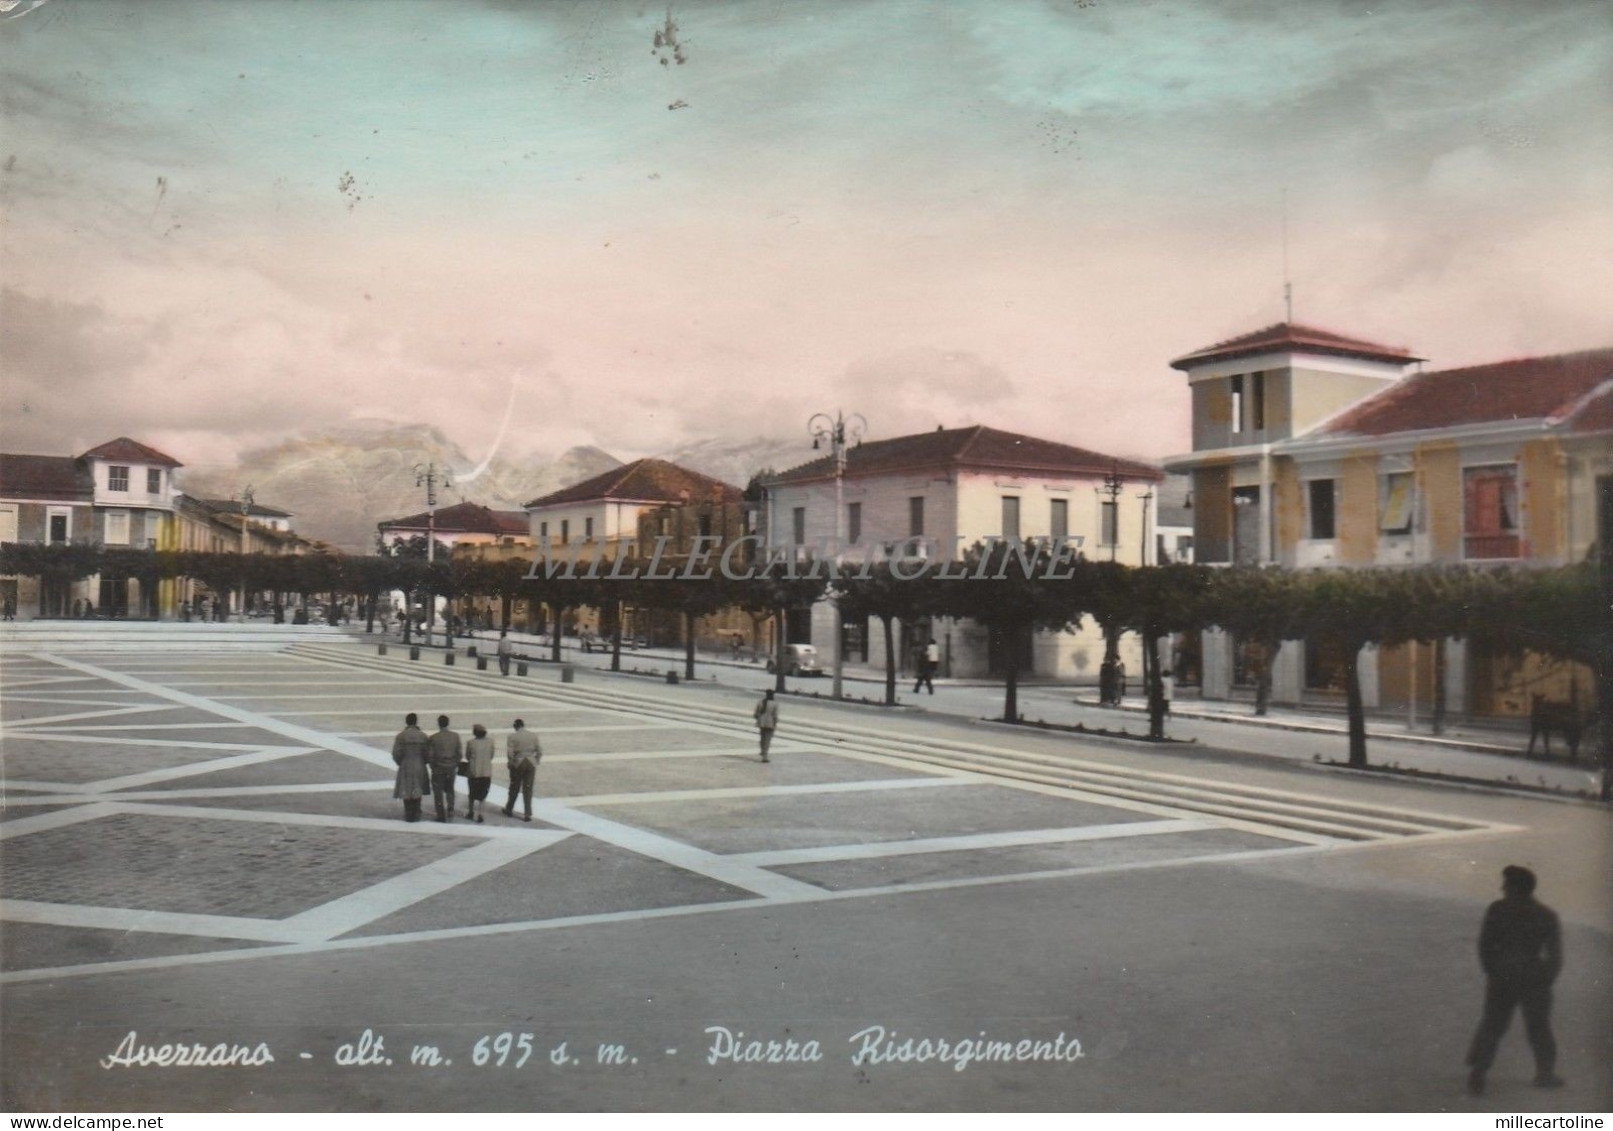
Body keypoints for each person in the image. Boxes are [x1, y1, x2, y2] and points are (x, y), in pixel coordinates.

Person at [1465, 865, 1564, 1095]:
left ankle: (1478, 1073)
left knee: (1493, 1025)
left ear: (1516, 888)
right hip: (1534, 979)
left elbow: (1485, 945)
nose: (1502, 888)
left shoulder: (1497, 910)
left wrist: (1491, 970)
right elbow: (1555, 955)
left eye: (1507, 884)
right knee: (1538, 1028)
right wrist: (1546, 978)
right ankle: (1545, 1073)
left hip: (1503, 976)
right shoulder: (1546, 915)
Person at [391, 713, 431, 822]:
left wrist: (401, 762)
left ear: (407, 722)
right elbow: (428, 754)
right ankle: (416, 812)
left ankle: (408, 813)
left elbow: (396, 754)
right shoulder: (423, 736)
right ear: (416, 722)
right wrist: (423, 761)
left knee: (406, 789)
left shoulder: (401, 736)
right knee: (418, 788)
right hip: (419, 764)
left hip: (406, 764)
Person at [426, 714, 463, 823]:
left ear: (439, 724)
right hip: (451, 767)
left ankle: (440, 814)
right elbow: (459, 754)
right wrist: (455, 764)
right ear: (448, 723)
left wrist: (433, 767)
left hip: (438, 768)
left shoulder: (433, 738)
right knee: (450, 789)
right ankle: (451, 809)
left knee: (438, 792)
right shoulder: (455, 736)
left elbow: (430, 755)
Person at [503, 718, 541, 821]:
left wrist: (510, 763)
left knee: (514, 787)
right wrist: (536, 761)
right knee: (528, 788)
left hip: (518, 762)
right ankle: (527, 813)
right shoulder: (533, 735)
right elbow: (539, 750)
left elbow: (510, 753)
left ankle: (509, 808)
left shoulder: (512, 736)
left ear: (515, 726)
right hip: (530, 762)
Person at [463, 723, 495, 823]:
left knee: (471, 793)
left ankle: (471, 811)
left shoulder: (471, 743)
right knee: (483, 794)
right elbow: (491, 755)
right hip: (486, 771)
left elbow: (467, 756)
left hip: (474, 772)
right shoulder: (490, 742)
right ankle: (481, 813)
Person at [754, 689, 779, 762]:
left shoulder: (761, 702)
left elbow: (756, 713)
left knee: (762, 738)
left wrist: (759, 718)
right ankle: (765, 756)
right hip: (770, 723)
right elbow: (775, 715)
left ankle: (762, 751)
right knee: (767, 740)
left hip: (761, 722)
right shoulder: (775, 704)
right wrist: (775, 723)